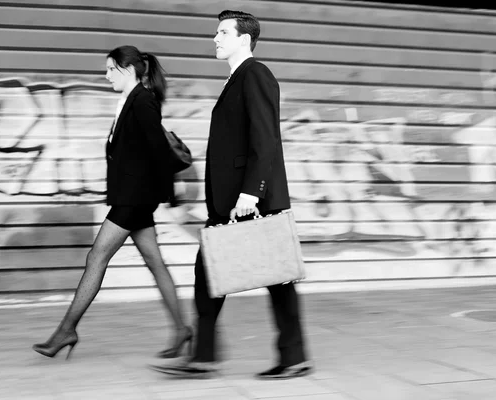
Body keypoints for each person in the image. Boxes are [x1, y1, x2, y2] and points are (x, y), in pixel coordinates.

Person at [152, 10, 313, 379]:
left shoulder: (255, 75)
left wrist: (251, 193)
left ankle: (209, 356)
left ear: (244, 39)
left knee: (269, 276)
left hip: (248, 200)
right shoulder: (236, 79)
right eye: (216, 32)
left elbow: (265, 139)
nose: (216, 38)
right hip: (234, 199)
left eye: (223, 32)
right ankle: (283, 355)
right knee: (258, 276)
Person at [33, 46, 192, 360]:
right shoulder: (129, 100)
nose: (106, 77)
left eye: (109, 70)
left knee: (96, 257)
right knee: (155, 262)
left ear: (127, 69)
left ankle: (67, 330)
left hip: (134, 199)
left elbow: (158, 150)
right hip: (133, 197)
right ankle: (182, 328)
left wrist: (172, 195)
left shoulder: (143, 100)